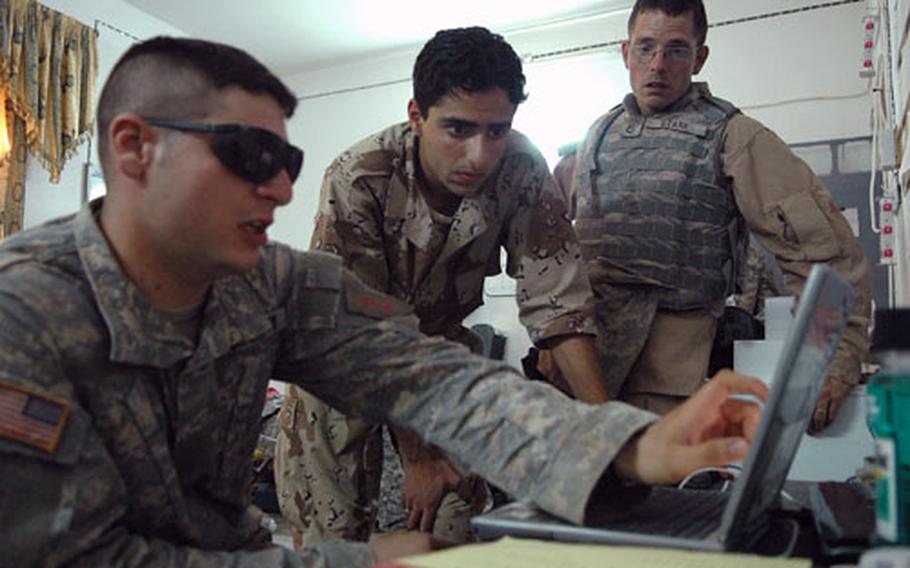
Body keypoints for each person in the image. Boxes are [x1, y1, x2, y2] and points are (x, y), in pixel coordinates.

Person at [0, 36, 768, 568]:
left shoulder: (272, 284)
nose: (281, 188)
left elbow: (429, 373)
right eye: (248, 156)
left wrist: (631, 444)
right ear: (135, 149)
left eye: (286, 159)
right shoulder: (21, 318)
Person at [275, 26, 607, 549]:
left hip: (441, 363)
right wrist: (421, 456)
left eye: (496, 131)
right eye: (458, 129)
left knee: (454, 537)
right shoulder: (359, 178)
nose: (479, 154)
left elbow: (558, 304)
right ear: (416, 116)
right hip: (345, 371)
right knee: (334, 547)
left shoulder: (521, 167)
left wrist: (608, 433)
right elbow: (365, 334)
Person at [554, 0, 870, 431]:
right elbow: (553, 261)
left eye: (677, 50)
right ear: (625, 52)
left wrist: (831, 359)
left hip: (669, 377)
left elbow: (823, 252)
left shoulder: (734, 136)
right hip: (581, 372)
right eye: (645, 48)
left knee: (660, 499)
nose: (658, 65)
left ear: (699, 58)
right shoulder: (596, 135)